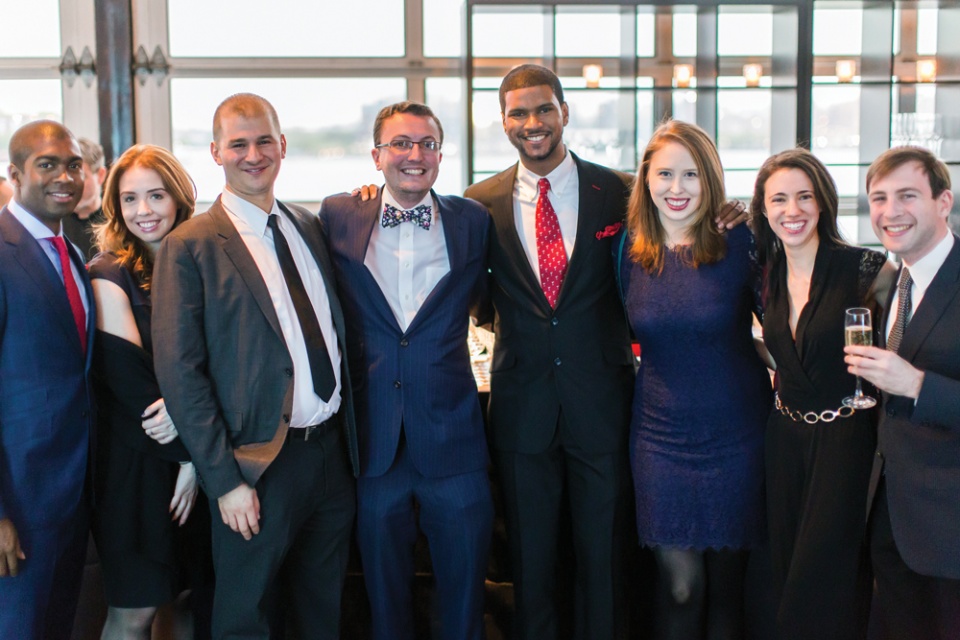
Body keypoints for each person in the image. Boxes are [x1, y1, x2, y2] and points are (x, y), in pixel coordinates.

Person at [152, 93, 359, 639]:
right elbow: (181, 375)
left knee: (322, 611)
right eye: (238, 143)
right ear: (216, 151)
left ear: (283, 145)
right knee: (247, 618)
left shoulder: (306, 225)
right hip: (256, 466)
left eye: (264, 140)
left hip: (332, 457)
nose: (253, 154)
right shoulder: (189, 246)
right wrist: (224, 482)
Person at [463, 64, 636, 639]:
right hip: (521, 406)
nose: (531, 123)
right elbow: (479, 299)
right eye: (518, 113)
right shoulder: (477, 202)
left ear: (565, 111)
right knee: (530, 565)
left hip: (603, 402)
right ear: (503, 122)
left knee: (605, 558)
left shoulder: (620, 191)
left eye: (542, 109)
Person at [319, 101, 493, 640]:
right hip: (374, 444)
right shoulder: (338, 215)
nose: (414, 155)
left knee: (465, 598)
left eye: (427, 144)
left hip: (455, 437)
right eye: (400, 143)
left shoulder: (473, 221)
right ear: (376, 156)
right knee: (383, 599)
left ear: (441, 154)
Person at [619, 120, 771, 639]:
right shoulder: (628, 251)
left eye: (691, 175)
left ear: (710, 181)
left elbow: (782, 331)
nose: (676, 188)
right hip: (660, 439)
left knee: (729, 590)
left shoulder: (740, 241)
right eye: (665, 174)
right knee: (681, 586)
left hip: (738, 434)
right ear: (646, 179)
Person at [751, 148, 894, 640]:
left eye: (804, 197)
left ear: (823, 202)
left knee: (823, 580)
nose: (792, 211)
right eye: (779, 200)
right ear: (764, 209)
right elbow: (785, 351)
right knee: (784, 570)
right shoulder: (765, 275)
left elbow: (898, 345)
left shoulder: (866, 268)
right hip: (784, 438)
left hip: (845, 440)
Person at [89, 144, 213, 639]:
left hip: (205, 460)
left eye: (156, 195)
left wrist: (199, 459)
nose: (143, 211)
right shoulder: (107, 273)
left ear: (180, 197)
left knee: (188, 600)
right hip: (136, 467)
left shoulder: (208, 265)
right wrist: (189, 459)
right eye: (130, 199)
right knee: (134, 610)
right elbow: (130, 384)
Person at [846, 145, 960, 640]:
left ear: (944, 202)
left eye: (907, 196)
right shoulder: (891, 279)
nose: (890, 212)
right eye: (879, 198)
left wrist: (915, 384)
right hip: (889, 512)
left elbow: (912, 385)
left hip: (949, 529)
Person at [0, 120, 95, 639]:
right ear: (14, 173)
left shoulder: (71, 253)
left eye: (73, 164)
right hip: (18, 502)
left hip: (71, 497)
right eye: (48, 164)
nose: (65, 175)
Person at [62, 137, 107, 261]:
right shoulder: (52, 222)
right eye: (68, 176)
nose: (72, 185)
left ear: (101, 175)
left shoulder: (117, 220)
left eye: (81, 176)